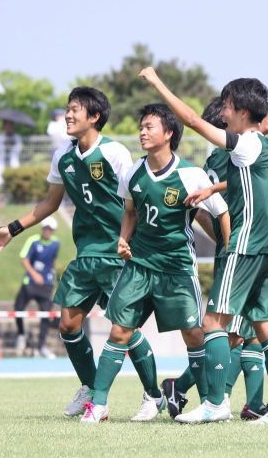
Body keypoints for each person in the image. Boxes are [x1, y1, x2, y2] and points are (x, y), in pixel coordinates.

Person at [0, 87, 159, 418]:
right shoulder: (62, 157)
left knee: (126, 329)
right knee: (68, 325)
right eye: (67, 109)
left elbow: (134, 202)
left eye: (75, 109)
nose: (67, 115)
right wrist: (12, 229)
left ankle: (154, 395)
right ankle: (92, 391)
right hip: (85, 255)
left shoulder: (114, 153)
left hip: (117, 254)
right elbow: (49, 204)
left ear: (94, 117)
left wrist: (134, 242)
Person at [140, 66, 268, 424]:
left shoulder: (243, 143)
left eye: (226, 105)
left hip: (242, 245)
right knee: (266, 326)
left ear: (242, 111)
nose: (222, 112)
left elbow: (194, 120)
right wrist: (213, 188)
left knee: (213, 324)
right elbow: (255, 181)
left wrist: (157, 83)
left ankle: (215, 403)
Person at [81, 103, 230, 424]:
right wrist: (124, 238)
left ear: (169, 134)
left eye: (149, 127)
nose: (142, 132)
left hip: (177, 269)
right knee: (119, 331)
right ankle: (100, 406)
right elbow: (131, 212)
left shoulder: (191, 174)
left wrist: (227, 250)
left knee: (193, 334)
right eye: (141, 127)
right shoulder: (133, 172)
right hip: (139, 266)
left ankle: (209, 403)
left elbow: (220, 212)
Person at [14, 216, 60, 358]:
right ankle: (21, 334)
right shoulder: (33, 240)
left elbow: (52, 262)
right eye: (46, 228)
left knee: (46, 315)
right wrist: (34, 275)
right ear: (42, 228)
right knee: (18, 309)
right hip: (30, 283)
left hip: (46, 286)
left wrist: (53, 279)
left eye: (50, 229)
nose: (47, 231)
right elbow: (24, 259)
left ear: (53, 231)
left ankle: (41, 347)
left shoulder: (56, 243)